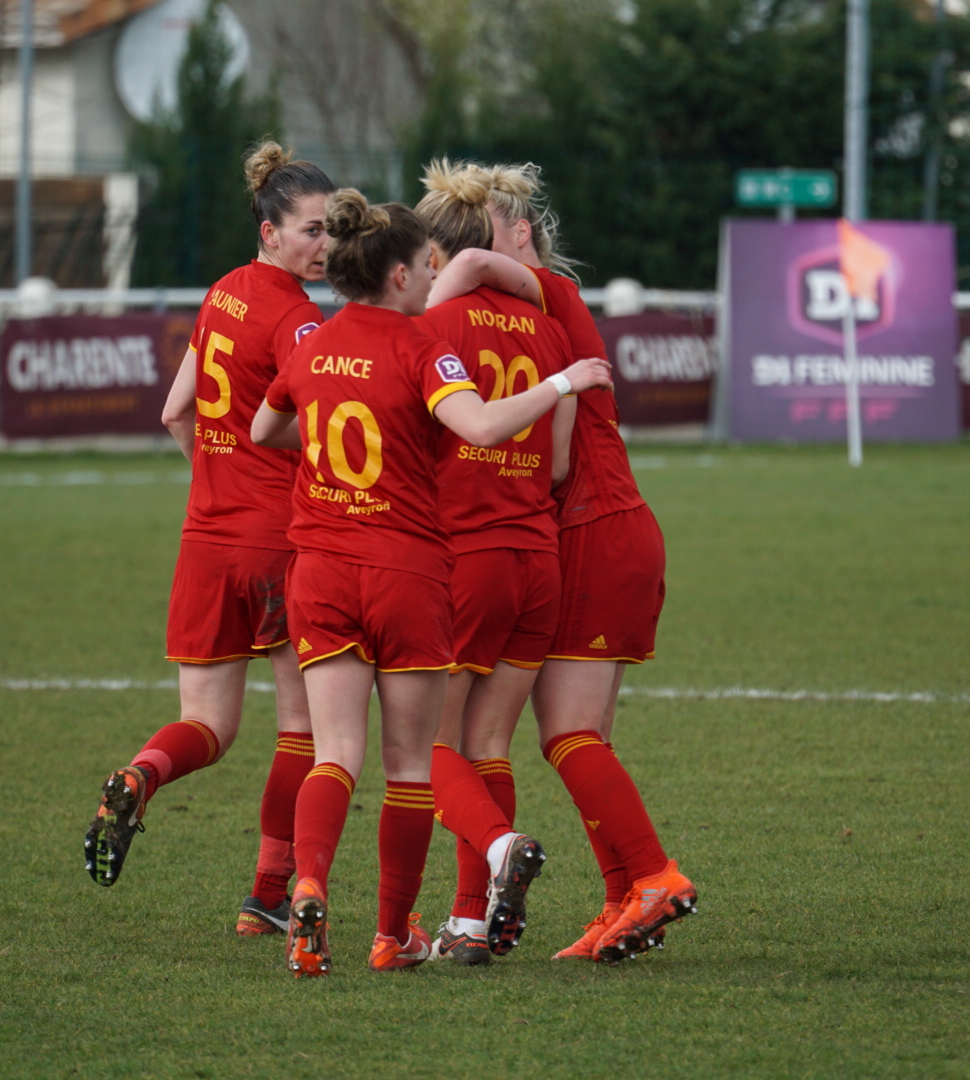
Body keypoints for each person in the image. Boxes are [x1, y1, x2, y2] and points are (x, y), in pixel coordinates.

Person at [249, 188, 613, 977]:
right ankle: (391, 935)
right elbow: (480, 426)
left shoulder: (311, 346)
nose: (434, 272)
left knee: (334, 751)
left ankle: (308, 886)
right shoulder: (421, 349)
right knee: (413, 764)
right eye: (425, 263)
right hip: (408, 572)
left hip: (321, 569)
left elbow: (262, 429)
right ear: (402, 277)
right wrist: (566, 382)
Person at [85, 143, 332, 940]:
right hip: (277, 541)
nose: (324, 246)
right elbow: (315, 427)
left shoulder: (222, 292)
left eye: (329, 231)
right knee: (305, 728)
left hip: (205, 536)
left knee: (208, 726)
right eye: (310, 231)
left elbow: (174, 411)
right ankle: (265, 892)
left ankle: (140, 773)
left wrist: (214, 478)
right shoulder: (298, 317)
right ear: (270, 231)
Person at [466, 161, 697, 963]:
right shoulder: (526, 316)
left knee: (565, 732)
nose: (467, 255)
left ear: (521, 233)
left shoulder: (547, 294)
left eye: (482, 233)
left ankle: (657, 876)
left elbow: (471, 264)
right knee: (582, 733)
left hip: (597, 531)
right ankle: (623, 895)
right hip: (609, 531)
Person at [411, 159, 579, 965]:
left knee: (430, 751)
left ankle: (503, 848)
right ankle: (471, 925)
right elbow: (555, 463)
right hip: (535, 557)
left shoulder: (429, 328)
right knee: (489, 749)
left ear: (436, 256)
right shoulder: (549, 330)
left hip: (464, 557)